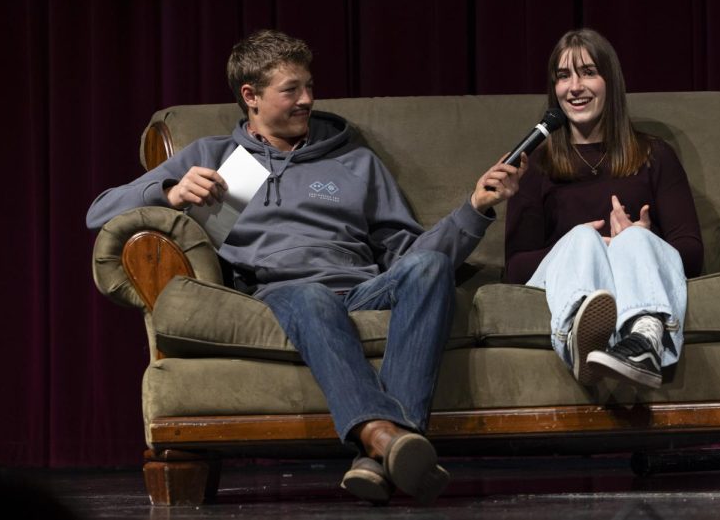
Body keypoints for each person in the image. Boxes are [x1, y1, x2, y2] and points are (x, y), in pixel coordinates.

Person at [86, 29, 524, 506]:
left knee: (431, 269)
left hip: (362, 287)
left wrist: (475, 208)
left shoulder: (354, 160)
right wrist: (168, 192)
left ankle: (383, 450)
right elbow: (99, 211)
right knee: (310, 295)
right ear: (250, 97)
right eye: (291, 90)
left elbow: (410, 254)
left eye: (309, 86)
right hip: (281, 293)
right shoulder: (213, 157)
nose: (307, 99)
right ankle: (384, 437)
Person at [504, 28, 702, 390]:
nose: (574, 87)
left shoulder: (654, 155)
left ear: (610, 82)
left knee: (634, 241)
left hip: (639, 272)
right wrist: (592, 246)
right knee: (581, 237)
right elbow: (515, 269)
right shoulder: (535, 167)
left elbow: (691, 252)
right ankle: (580, 335)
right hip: (564, 280)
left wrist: (637, 241)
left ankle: (643, 341)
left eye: (588, 72)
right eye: (564, 76)